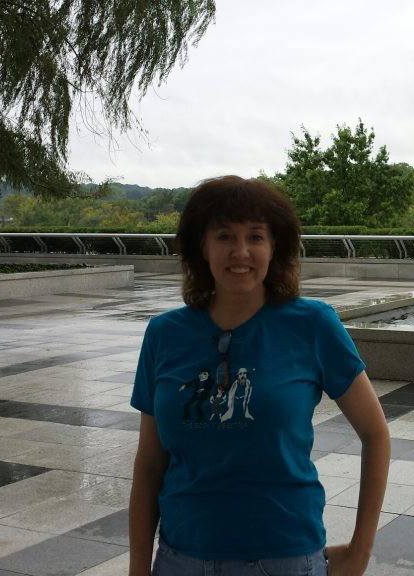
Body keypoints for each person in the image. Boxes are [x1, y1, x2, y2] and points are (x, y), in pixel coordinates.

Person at [129, 175, 390, 576]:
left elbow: (375, 433)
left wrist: (360, 552)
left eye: (255, 236)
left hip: (284, 559)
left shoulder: (313, 325)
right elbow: (149, 466)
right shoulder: (164, 334)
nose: (241, 251)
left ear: (274, 247)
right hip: (181, 559)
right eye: (224, 236)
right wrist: (137, 568)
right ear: (202, 246)